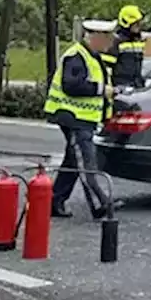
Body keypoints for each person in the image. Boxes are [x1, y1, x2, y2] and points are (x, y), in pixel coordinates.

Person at [44, 19, 118, 219]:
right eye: (108, 38)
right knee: (86, 162)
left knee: (73, 161)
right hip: (74, 118)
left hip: (80, 118)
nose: (111, 42)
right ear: (96, 38)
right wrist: (104, 90)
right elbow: (72, 86)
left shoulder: (90, 56)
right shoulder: (77, 56)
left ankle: (54, 201)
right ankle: (100, 203)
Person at [106, 4, 146, 90]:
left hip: (137, 86)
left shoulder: (139, 42)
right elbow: (107, 68)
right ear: (126, 23)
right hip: (120, 87)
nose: (139, 26)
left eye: (139, 23)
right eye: (136, 23)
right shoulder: (116, 41)